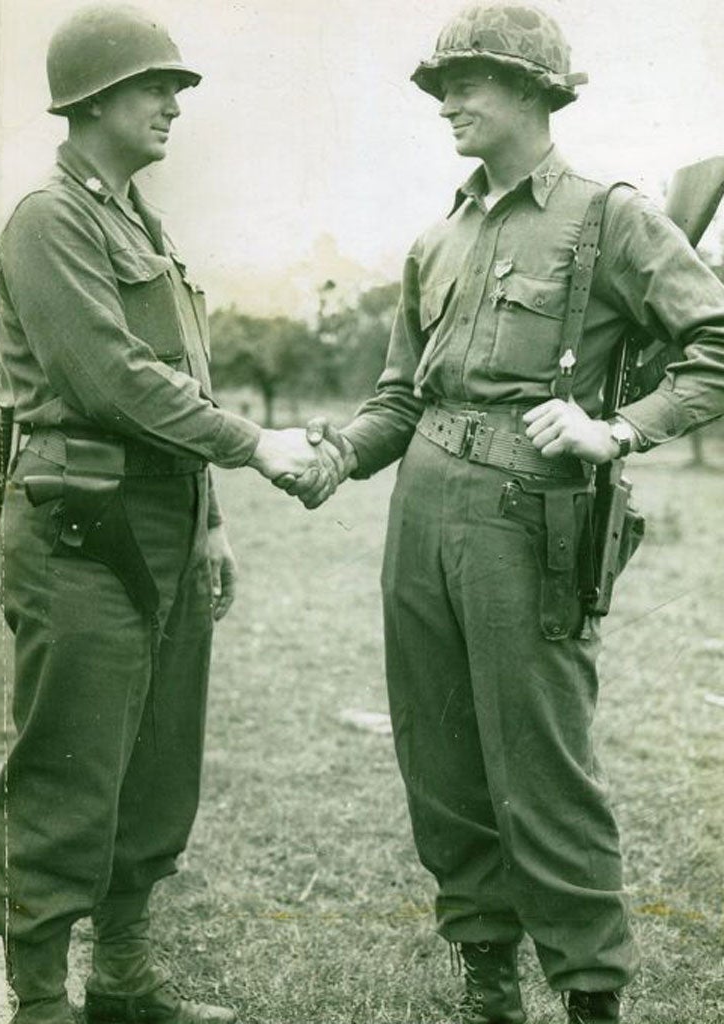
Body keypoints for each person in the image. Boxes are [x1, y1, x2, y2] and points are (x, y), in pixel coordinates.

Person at [291, 3, 724, 1022]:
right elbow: (401, 394)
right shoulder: (435, 239)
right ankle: (486, 980)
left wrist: (620, 429)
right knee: (437, 753)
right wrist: (338, 453)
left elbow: (714, 337)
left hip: (530, 514)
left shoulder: (607, 214)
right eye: (439, 85)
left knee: (542, 763)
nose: (448, 100)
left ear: (535, 89)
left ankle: (588, 993)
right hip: (422, 503)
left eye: (470, 79)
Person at [0, 6, 343, 1024]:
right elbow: (109, 378)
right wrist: (255, 444)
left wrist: (213, 517)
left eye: (177, 90)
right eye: (156, 87)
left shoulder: (139, 222)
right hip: (81, 526)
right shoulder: (48, 220)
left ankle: (123, 978)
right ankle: (41, 999)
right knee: (70, 764)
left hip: (164, 521)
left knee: (157, 766)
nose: (173, 105)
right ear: (95, 98)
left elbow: (174, 380)